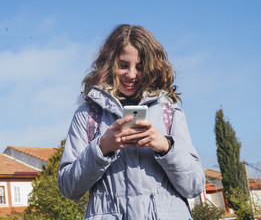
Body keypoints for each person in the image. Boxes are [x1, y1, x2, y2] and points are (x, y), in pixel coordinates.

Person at [58, 24, 205, 219]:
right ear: (109, 64)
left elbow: (194, 186)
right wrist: (101, 148)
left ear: (152, 67)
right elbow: (69, 188)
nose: (131, 74)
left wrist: (166, 147)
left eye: (141, 67)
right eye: (123, 65)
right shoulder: (87, 115)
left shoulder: (170, 112)